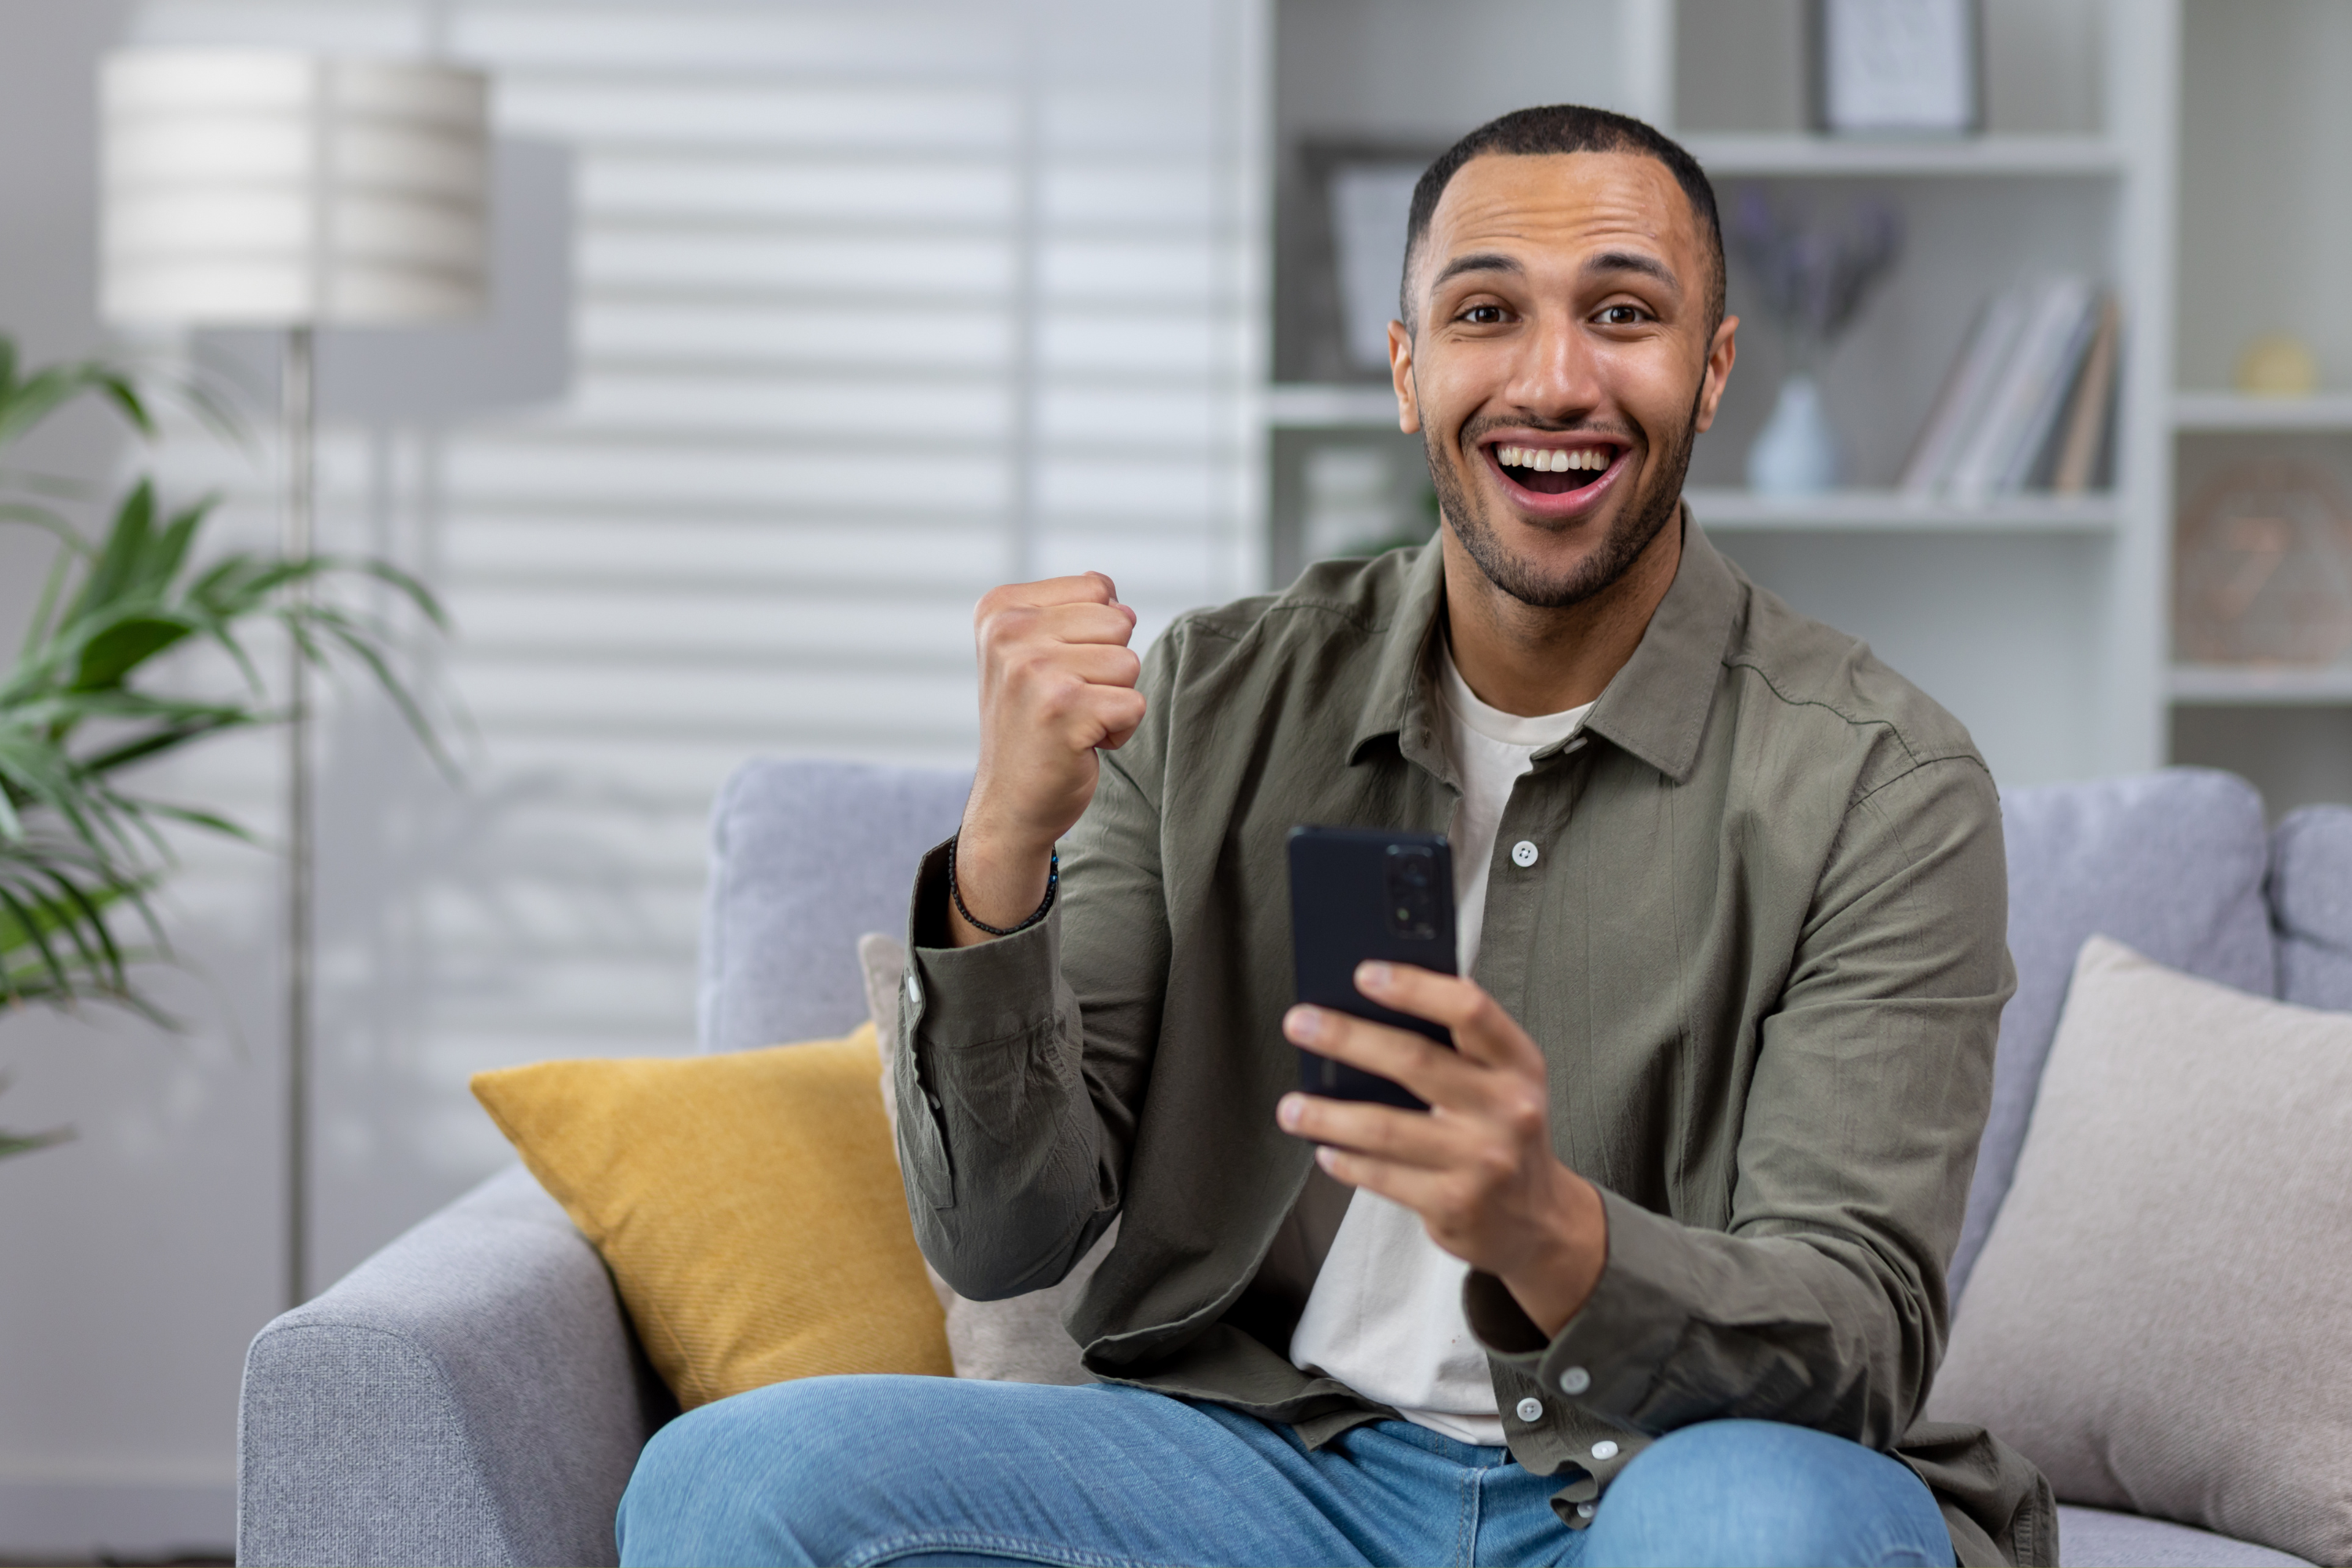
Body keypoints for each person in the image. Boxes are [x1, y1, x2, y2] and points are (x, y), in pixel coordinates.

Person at [617, 104, 2055, 1568]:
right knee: (730, 1484)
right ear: (1408, 367)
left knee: (1763, 1531)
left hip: (1657, 1474)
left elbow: (1859, 1332)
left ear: (1713, 370)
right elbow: (1008, 1244)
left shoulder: (1886, 783)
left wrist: (1546, 1226)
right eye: (1486, 313)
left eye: (1624, 314)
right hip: (1266, 1462)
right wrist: (1000, 855)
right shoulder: (1209, 698)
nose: (1556, 379)